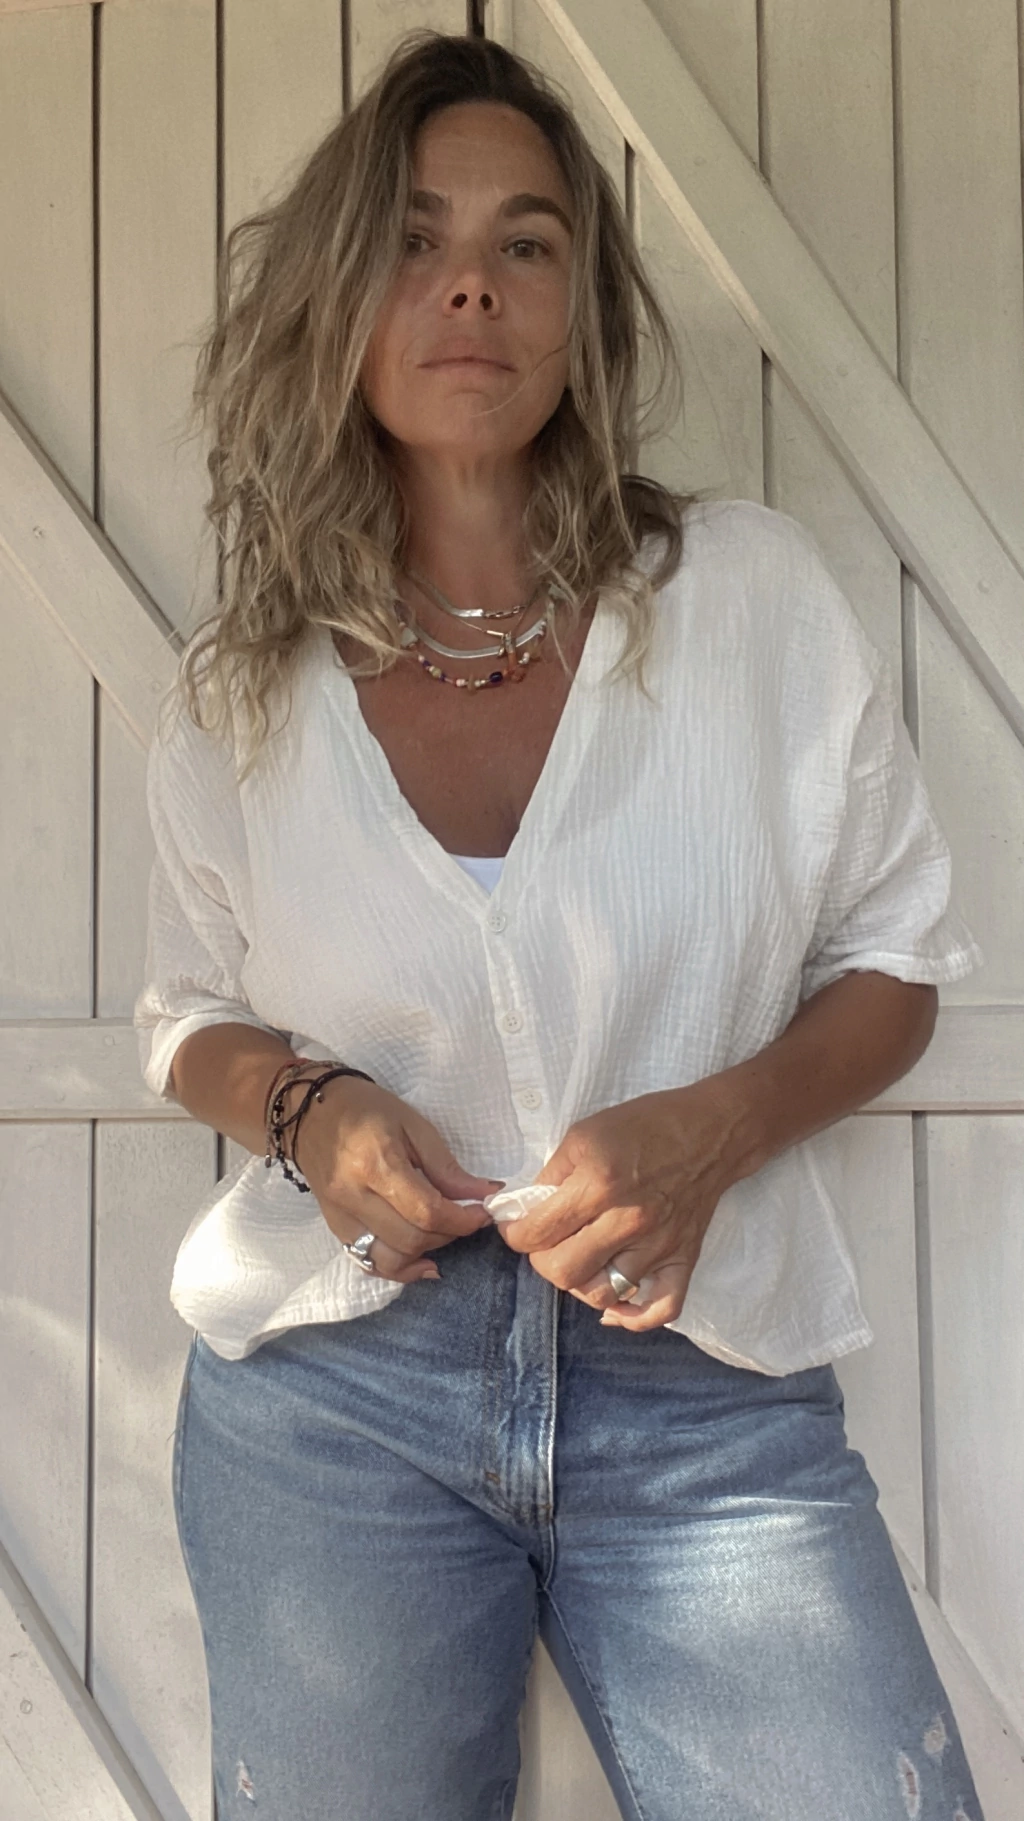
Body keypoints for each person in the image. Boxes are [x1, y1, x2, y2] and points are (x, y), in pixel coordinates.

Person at [135, 29, 986, 1821]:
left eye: (525, 241)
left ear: (584, 312)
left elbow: (897, 957)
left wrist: (717, 1130)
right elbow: (187, 1015)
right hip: (336, 1397)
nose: (471, 283)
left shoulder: (748, 602)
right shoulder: (241, 693)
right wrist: (311, 1113)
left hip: (704, 1388)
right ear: (339, 299)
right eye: (415, 238)